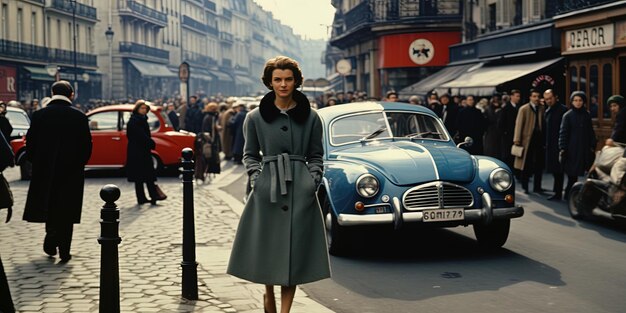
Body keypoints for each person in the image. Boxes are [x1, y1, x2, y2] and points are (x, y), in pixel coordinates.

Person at [227, 56, 330, 313]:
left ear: (296, 82)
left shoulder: (312, 117)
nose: (283, 85)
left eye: (288, 79)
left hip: (300, 191)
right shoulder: (254, 117)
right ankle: (268, 294)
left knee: (293, 256)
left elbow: (316, 154)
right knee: (267, 248)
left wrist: (312, 181)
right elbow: (249, 154)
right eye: (278, 80)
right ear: (269, 83)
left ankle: (284, 310)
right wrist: (257, 179)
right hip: (268, 191)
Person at [22, 80, 92, 262]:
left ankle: (51, 235)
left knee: (50, 205)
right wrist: (78, 164)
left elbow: (30, 145)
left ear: (52, 93)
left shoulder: (39, 116)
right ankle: (65, 249)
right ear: (71, 94)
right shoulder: (79, 117)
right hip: (71, 172)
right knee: (67, 209)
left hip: (45, 169)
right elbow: (86, 148)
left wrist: (37, 161)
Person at [126, 100, 166, 205]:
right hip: (137, 151)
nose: (144, 110)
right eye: (142, 108)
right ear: (137, 109)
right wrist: (150, 142)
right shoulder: (134, 121)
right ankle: (144, 197)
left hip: (143, 150)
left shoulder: (142, 119)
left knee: (148, 174)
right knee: (140, 176)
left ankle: (151, 196)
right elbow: (140, 136)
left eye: (145, 109)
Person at [559, 91, 597, 199]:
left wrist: (593, 144)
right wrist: (563, 148)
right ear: (572, 102)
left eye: (580, 100)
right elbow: (563, 133)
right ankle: (568, 195)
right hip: (572, 149)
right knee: (572, 175)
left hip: (584, 149)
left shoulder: (587, 114)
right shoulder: (568, 115)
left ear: (584, 102)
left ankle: (586, 196)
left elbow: (590, 131)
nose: (578, 103)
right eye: (575, 100)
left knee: (589, 173)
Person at [513, 89, 545, 194]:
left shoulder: (541, 108)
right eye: (534, 96)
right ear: (530, 97)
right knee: (526, 164)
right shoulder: (524, 109)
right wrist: (517, 139)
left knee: (538, 164)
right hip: (527, 140)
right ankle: (525, 186)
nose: (536, 98)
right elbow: (519, 124)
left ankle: (537, 187)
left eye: (538, 96)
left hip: (539, 139)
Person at [544, 89, 567, 200]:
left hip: (559, 144)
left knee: (559, 170)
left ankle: (559, 192)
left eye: (550, 98)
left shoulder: (563, 110)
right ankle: (557, 191)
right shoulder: (548, 110)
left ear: (555, 97)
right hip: (550, 144)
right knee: (554, 169)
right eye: (546, 99)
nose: (548, 101)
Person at [498, 89, 520, 171]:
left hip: (516, 134)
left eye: (519, 96)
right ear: (512, 96)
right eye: (517, 96)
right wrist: (505, 133)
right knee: (508, 155)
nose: (518, 98)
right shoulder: (506, 108)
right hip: (508, 136)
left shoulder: (519, 107)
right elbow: (500, 123)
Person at [199, 102, 221, 181]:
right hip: (210, 141)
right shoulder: (210, 117)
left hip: (210, 140)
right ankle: (207, 171)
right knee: (210, 157)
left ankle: (208, 171)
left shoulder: (210, 116)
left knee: (210, 158)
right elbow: (208, 130)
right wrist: (211, 140)